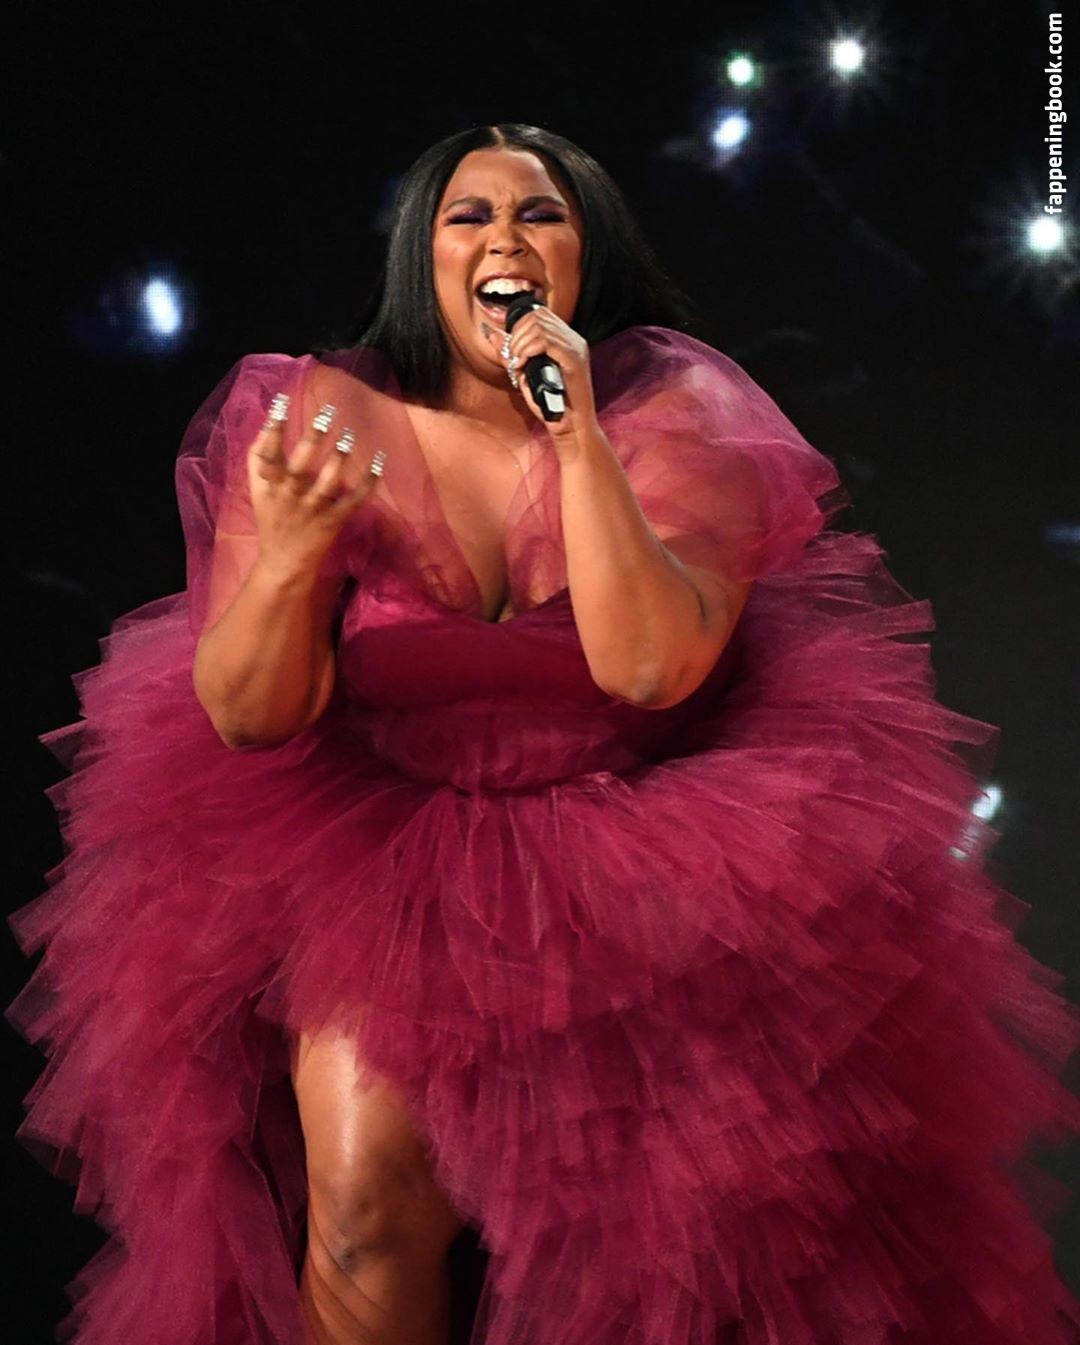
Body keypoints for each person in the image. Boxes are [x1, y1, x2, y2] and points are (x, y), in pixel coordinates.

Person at [7, 121, 1080, 1345]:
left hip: (653, 874)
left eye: (540, 215)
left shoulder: (678, 418)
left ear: (587, 254)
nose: (504, 241)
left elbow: (648, 667)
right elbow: (251, 713)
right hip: (383, 868)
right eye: (469, 217)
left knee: (664, 1255)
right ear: (424, 255)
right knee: (359, 1220)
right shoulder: (325, 412)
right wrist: (293, 558)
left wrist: (577, 438)